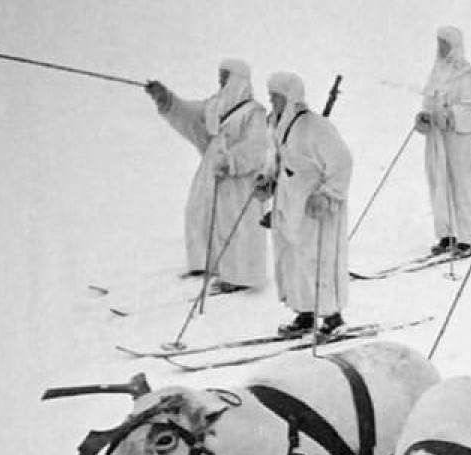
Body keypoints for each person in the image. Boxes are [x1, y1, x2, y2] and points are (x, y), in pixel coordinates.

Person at [145, 59, 270, 291]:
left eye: (225, 76)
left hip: (239, 178)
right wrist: (166, 99)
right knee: (198, 210)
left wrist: (231, 162)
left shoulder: (254, 112)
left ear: (237, 79)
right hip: (212, 170)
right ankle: (204, 262)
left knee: (236, 223)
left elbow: (257, 147)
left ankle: (240, 276)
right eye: (220, 76)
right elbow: (191, 115)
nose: (221, 81)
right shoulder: (214, 106)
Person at [257, 72, 354, 338]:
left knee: (317, 258)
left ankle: (333, 317)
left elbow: (341, 162)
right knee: (293, 258)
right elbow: (277, 160)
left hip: (314, 205)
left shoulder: (316, 126)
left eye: (276, 97)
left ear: (290, 97)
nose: (272, 102)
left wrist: (327, 194)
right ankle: (305, 312)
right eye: (271, 97)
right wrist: (267, 180)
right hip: (289, 203)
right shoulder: (276, 127)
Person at [415, 26, 471, 256]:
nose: (442, 48)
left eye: (445, 44)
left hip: (460, 143)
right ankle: (446, 234)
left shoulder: (468, 75)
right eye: (440, 44)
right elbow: (429, 101)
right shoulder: (436, 73)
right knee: (439, 185)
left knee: (463, 187)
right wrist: (425, 117)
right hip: (438, 141)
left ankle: (469, 237)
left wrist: (451, 116)